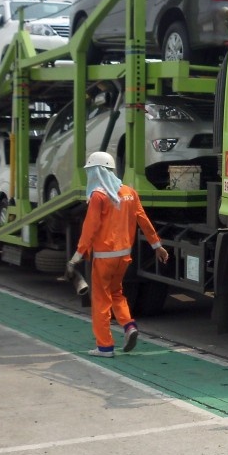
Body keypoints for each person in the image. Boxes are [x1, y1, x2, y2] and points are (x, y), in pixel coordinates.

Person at [68, 152, 169, 358]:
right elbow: (144, 220)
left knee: (101, 300)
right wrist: (157, 245)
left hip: (104, 257)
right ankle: (128, 325)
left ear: (98, 171)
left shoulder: (99, 196)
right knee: (116, 293)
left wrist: (77, 255)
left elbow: (90, 228)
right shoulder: (129, 192)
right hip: (124, 257)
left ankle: (104, 346)